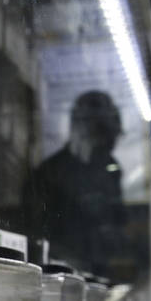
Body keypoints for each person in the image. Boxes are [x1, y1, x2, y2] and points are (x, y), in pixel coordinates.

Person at [21, 91, 136, 280]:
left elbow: (118, 219)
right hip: (59, 274)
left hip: (100, 271)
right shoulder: (50, 173)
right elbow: (35, 234)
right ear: (81, 129)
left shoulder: (110, 169)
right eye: (103, 138)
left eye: (111, 140)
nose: (109, 147)